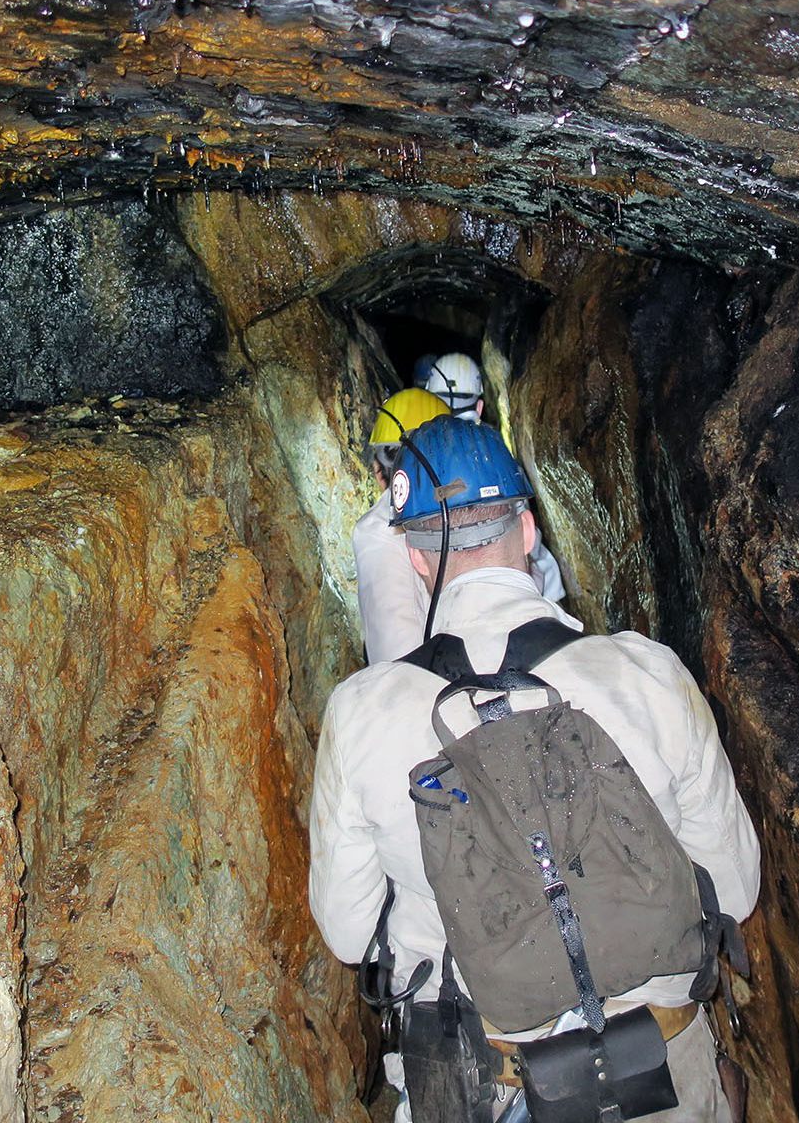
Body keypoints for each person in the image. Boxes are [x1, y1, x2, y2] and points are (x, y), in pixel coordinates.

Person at [312, 418, 760, 1123]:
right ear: (527, 531)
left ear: (418, 561)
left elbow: (347, 934)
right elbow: (734, 889)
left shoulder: (360, 714)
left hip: (480, 1077)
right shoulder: (649, 674)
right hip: (660, 1071)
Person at [356, 383, 565, 665]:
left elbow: (391, 651)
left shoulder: (376, 533)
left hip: (451, 675)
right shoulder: (493, 490)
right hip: (494, 658)